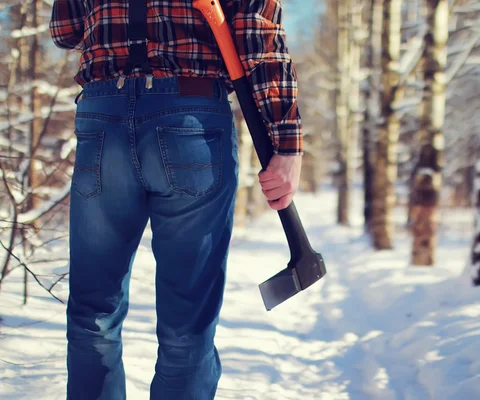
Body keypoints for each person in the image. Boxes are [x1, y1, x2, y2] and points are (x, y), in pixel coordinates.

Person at [49, 0, 302, 398]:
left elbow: (65, 31)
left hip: (102, 117)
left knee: (93, 314)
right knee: (187, 322)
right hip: (190, 118)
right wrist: (286, 143)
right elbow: (259, 36)